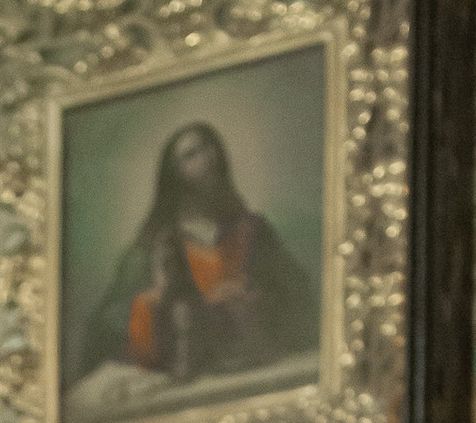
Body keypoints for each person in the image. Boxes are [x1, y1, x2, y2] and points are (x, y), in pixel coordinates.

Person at [76, 117, 318, 397]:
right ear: (173, 175)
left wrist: (257, 298)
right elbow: (105, 327)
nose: (207, 158)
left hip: (254, 368)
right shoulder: (157, 243)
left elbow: (299, 298)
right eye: (191, 155)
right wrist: (161, 295)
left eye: (208, 147)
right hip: (186, 381)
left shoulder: (254, 231)